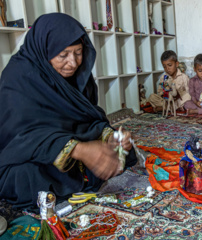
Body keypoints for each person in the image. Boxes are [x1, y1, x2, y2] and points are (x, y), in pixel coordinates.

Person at [0, 13, 137, 209]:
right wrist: (78, 149)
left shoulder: (76, 74)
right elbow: (20, 136)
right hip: (29, 151)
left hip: (66, 139)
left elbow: (87, 117)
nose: (73, 63)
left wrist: (110, 136)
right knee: (27, 178)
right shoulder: (18, 77)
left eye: (78, 52)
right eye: (63, 55)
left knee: (120, 152)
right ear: (44, 50)